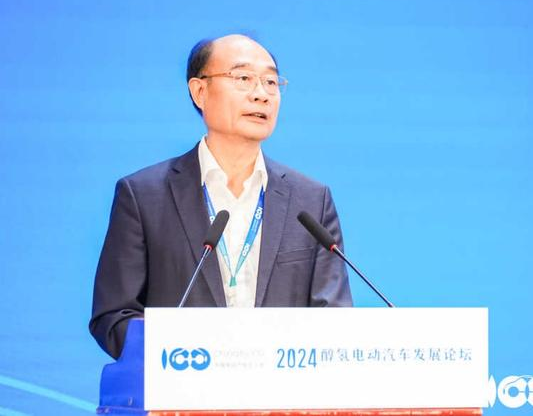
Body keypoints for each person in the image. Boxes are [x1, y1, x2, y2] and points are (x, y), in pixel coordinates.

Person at [90, 34, 353, 359]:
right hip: (184, 382)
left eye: (271, 82)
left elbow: (334, 318)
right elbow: (113, 315)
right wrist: (179, 352)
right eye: (243, 78)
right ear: (199, 91)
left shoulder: (311, 200)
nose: (261, 94)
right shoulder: (144, 195)